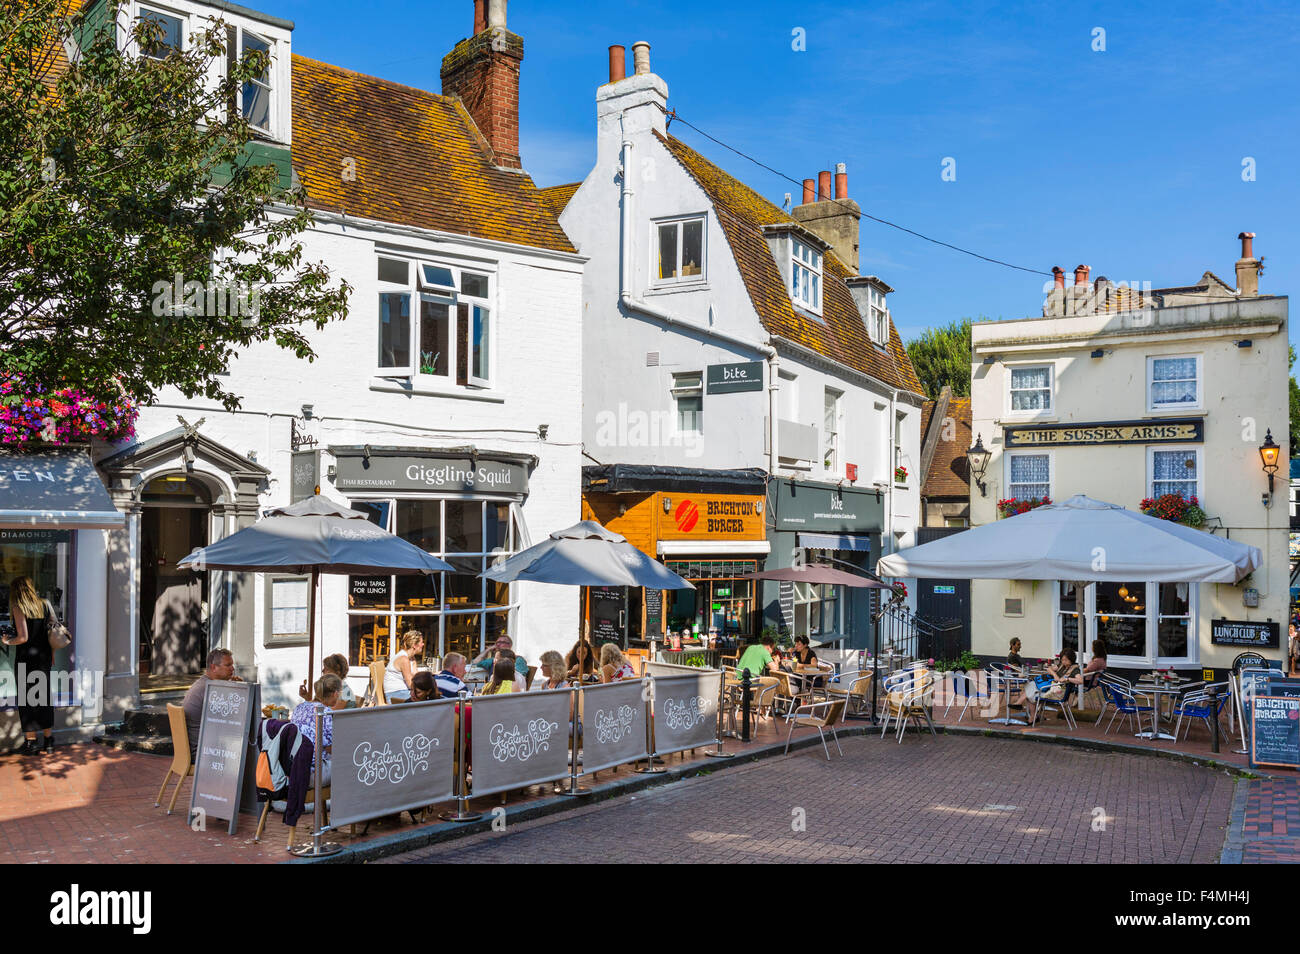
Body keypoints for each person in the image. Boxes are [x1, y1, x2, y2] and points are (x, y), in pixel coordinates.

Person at [2, 576, 58, 756]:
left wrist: (7, 640)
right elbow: (54, 630)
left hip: (26, 659)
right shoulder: (45, 604)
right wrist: (53, 655)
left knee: (27, 701)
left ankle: (31, 743)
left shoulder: (19, 607)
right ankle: (49, 742)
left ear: (16, 590)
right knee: (44, 698)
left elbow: (23, 637)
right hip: (44, 658)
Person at [181, 648, 242, 760]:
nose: (232, 669)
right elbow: (234, 722)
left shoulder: (205, 684)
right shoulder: (211, 690)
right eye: (228, 665)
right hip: (202, 752)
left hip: (195, 748)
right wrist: (239, 691)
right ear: (214, 667)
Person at [290, 674, 347, 785]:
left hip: (293, 769)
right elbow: (332, 749)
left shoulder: (299, 708)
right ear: (335, 694)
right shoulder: (326, 713)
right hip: (312, 773)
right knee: (351, 766)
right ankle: (348, 802)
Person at [384, 630, 424, 702]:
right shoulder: (404, 659)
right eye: (421, 642)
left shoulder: (411, 658)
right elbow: (410, 684)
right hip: (395, 694)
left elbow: (417, 676)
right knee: (426, 699)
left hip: (403, 691)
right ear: (414, 645)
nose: (423, 644)